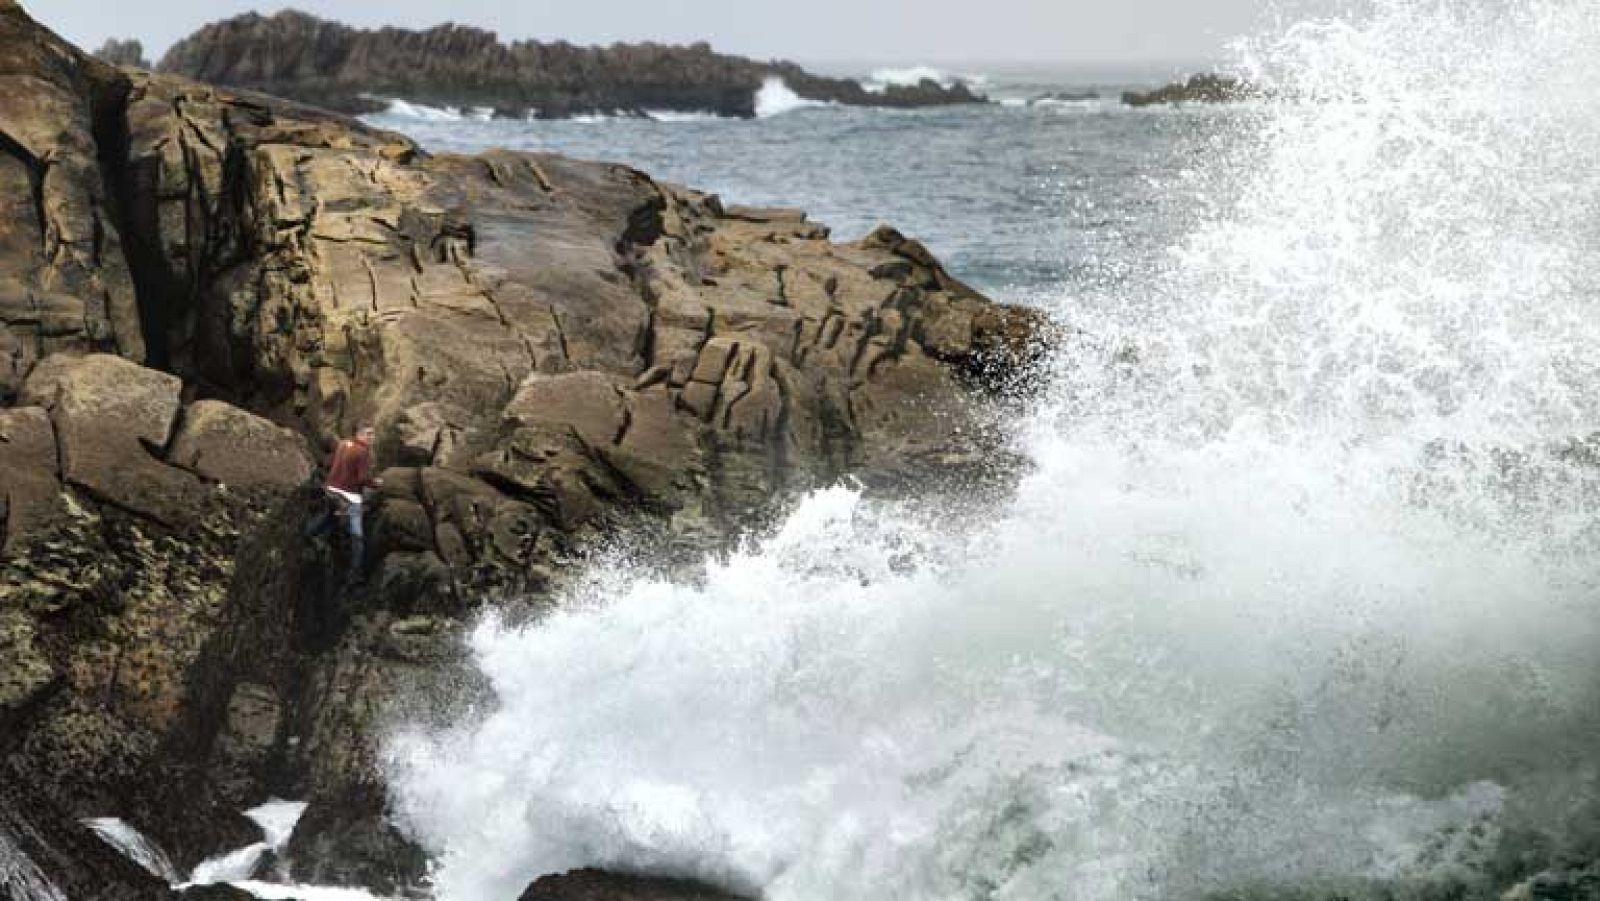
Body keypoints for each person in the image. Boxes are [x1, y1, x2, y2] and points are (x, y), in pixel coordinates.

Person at [307, 425, 382, 582]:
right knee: (357, 535)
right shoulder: (362, 451)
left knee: (330, 515)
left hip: (331, 491)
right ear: (359, 434)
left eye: (373, 434)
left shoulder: (343, 446)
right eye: (368, 434)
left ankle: (310, 534)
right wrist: (376, 483)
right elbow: (362, 478)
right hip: (348, 496)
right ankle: (355, 573)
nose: (372, 438)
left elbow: (331, 466)